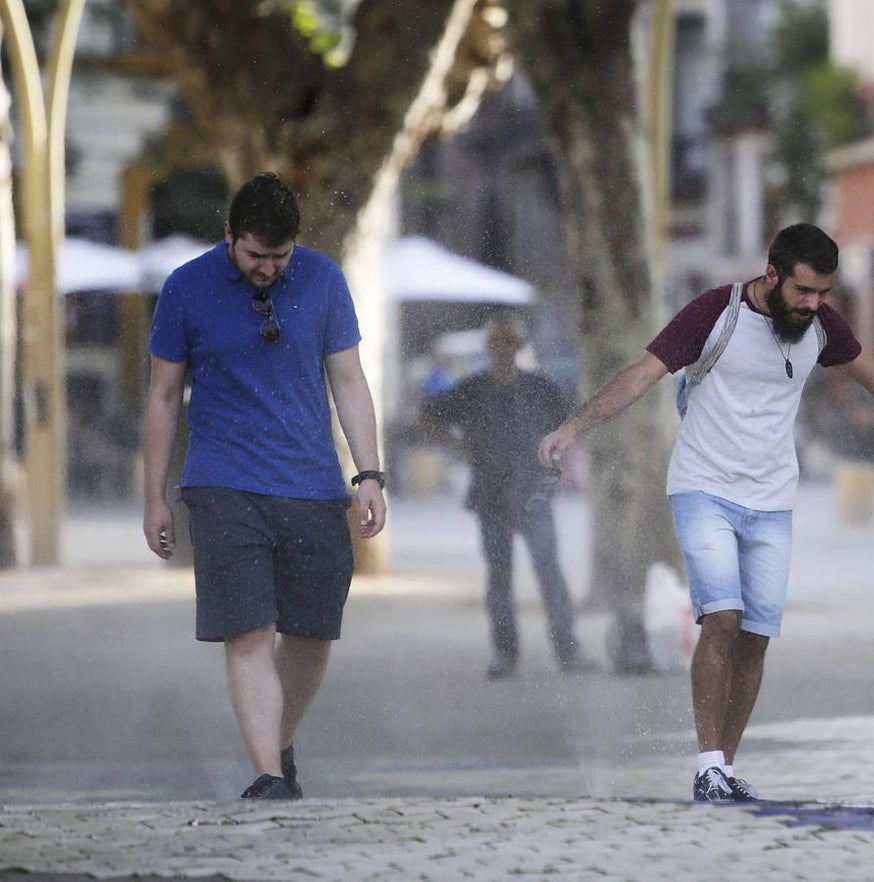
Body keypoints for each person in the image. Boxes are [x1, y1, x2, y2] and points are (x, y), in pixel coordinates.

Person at [537, 223, 874, 802]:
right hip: (703, 487)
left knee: (756, 639)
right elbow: (642, 375)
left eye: (824, 295)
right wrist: (574, 427)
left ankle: (726, 771)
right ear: (772, 276)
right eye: (804, 292)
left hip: (772, 499)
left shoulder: (820, 327)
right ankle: (707, 763)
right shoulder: (716, 313)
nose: (814, 305)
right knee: (722, 620)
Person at [141, 172, 386, 800]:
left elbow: (350, 382)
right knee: (249, 631)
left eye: (279, 257)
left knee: (310, 635)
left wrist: (369, 475)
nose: (267, 269)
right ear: (229, 235)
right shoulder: (186, 288)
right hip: (222, 484)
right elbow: (164, 397)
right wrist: (154, 497)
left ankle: (277, 741)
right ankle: (269, 778)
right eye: (255, 255)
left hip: (311, 484)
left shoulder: (324, 279)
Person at [420, 313, 594, 679]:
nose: (503, 349)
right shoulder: (472, 388)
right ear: (488, 347)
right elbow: (426, 416)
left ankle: (568, 650)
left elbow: (571, 423)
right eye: (497, 342)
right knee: (499, 576)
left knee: (550, 571)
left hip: (534, 491)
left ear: (519, 346)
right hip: (490, 492)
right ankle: (505, 653)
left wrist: (555, 456)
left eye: (509, 342)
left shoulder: (541, 386)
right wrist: (459, 445)